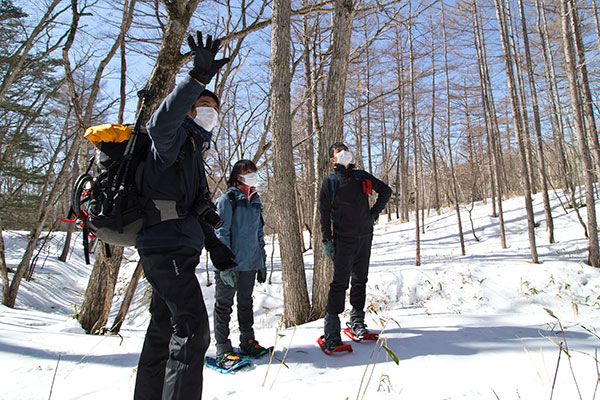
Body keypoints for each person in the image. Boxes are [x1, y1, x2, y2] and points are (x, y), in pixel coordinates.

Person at [134, 31, 234, 400]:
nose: (211, 112)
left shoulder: (193, 153)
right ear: (190, 109)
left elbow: (193, 211)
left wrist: (215, 246)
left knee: (164, 331)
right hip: (165, 249)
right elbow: (160, 123)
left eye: (215, 108)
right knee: (194, 330)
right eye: (204, 105)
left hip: (179, 250)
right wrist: (196, 80)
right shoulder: (170, 140)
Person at [318, 142, 392, 350]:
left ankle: (357, 321)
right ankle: (331, 331)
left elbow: (386, 191)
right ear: (333, 160)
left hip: (364, 236)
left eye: (345, 150)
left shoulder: (362, 176)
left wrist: (373, 215)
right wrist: (327, 240)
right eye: (338, 152)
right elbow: (324, 214)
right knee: (340, 283)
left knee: (360, 279)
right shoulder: (330, 181)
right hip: (343, 239)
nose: (343, 154)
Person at [212, 159, 268, 369]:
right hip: (230, 264)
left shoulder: (256, 200)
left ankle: (247, 341)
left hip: (250, 263)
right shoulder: (228, 199)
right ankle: (223, 349)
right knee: (224, 306)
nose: (252, 174)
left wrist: (261, 261)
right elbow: (221, 232)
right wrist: (223, 264)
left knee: (246, 303)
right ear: (237, 175)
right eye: (247, 172)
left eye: (253, 171)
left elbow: (259, 233)